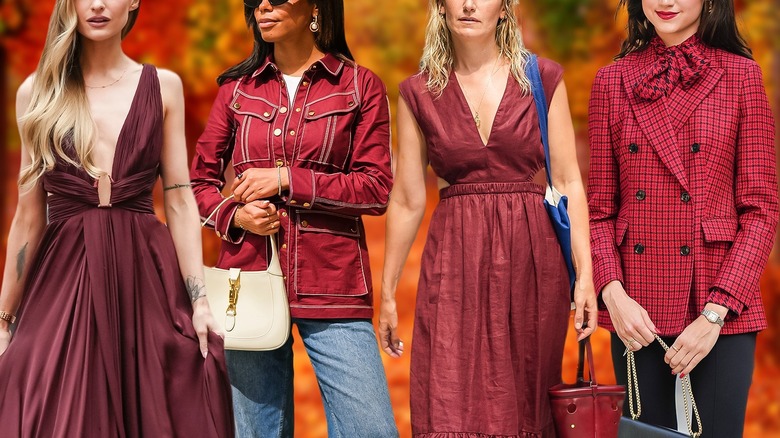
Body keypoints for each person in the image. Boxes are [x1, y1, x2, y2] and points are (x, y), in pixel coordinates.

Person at [0, 0, 235, 436]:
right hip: (64, 277)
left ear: (134, 3)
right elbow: (28, 217)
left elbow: (180, 201)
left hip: (144, 273)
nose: (98, 4)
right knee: (42, 391)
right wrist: (3, 321)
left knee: (169, 386)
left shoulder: (164, 86)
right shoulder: (37, 93)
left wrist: (199, 300)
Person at [379, 0, 598, 436]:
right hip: (454, 263)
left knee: (526, 402)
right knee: (448, 396)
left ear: (506, 8)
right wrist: (386, 293)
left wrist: (586, 275)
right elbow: (406, 200)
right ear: (440, 7)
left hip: (531, 261)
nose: (469, 4)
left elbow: (571, 181)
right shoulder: (417, 93)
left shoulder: (542, 78)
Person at [190, 0, 398, 436]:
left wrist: (287, 180)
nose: (263, 6)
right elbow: (194, 185)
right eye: (254, 1)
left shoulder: (360, 86)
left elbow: (376, 188)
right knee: (258, 432)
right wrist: (236, 215)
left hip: (334, 283)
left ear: (315, 7)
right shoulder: (237, 90)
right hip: (248, 281)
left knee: (370, 429)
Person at [588, 0, 778, 436]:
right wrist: (612, 295)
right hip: (636, 305)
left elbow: (761, 208)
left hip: (721, 296)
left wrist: (716, 312)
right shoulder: (611, 81)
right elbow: (600, 210)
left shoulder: (741, 76)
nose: (666, 2)